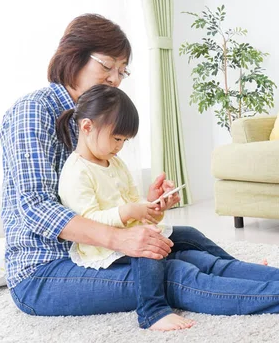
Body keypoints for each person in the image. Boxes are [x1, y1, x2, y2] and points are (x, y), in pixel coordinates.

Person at [0, 13, 279, 332]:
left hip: (99, 253)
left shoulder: (98, 118)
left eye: (122, 71)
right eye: (107, 66)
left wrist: (149, 207)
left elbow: (111, 200)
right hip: (45, 272)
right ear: (73, 57)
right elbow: (34, 207)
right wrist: (121, 239)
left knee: (193, 254)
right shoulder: (33, 111)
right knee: (174, 272)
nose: (115, 79)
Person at [56, 84, 193, 330]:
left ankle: (232, 262)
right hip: (102, 247)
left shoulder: (115, 163)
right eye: (116, 138)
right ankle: (153, 312)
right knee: (145, 252)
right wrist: (128, 212)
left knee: (190, 235)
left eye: (124, 140)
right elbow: (88, 220)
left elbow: (133, 201)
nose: (119, 146)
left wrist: (152, 204)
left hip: (132, 233)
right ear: (87, 127)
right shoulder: (76, 171)